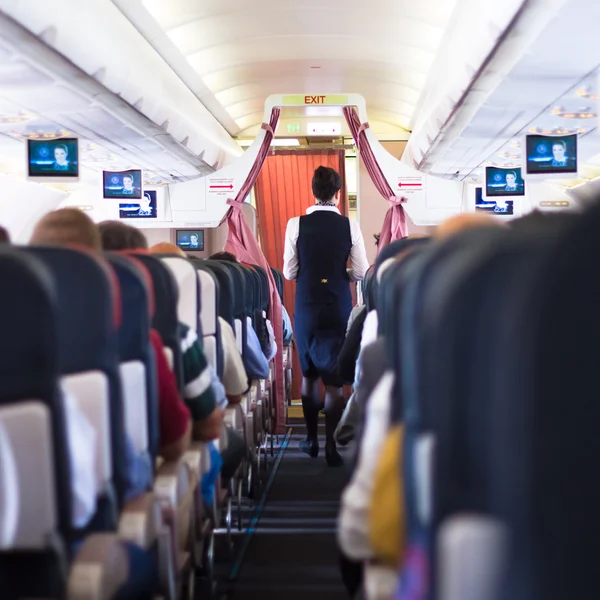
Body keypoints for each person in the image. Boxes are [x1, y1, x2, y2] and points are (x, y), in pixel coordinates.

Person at [283, 166, 369, 467]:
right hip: (337, 303)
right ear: (338, 193)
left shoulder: (295, 224)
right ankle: (332, 446)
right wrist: (338, 274)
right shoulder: (350, 226)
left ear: (313, 191)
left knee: (308, 374)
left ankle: (310, 439)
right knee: (334, 380)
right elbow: (359, 272)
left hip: (307, 303)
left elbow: (289, 272)